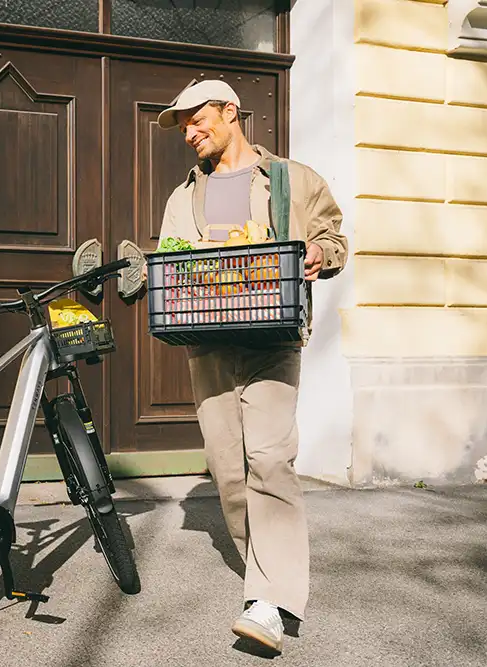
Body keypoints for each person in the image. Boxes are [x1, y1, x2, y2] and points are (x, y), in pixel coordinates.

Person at [150, 79, 348, 654]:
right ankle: (264, 571)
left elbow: (332, 237)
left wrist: (318, 253)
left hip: (271, 335)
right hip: (207, 342)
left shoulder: (293, 180)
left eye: (195, 119)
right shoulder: (181, 196)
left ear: (229, 112)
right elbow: (171, 262)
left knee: (269, 458)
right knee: (228, 468)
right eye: (182, 125)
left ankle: (270, 599)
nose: (189, 133)